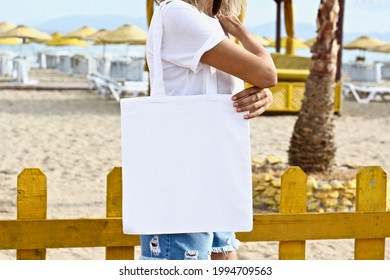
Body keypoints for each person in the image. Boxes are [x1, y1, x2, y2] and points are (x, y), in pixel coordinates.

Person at [140, 0, 277, 260]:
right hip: (183, 169)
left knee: (223, 258)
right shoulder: (177, 13)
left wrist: (263, 94)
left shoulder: (210, 21)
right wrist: (242, 32)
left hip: (213, 164)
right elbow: (267, 72)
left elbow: (247, 84)